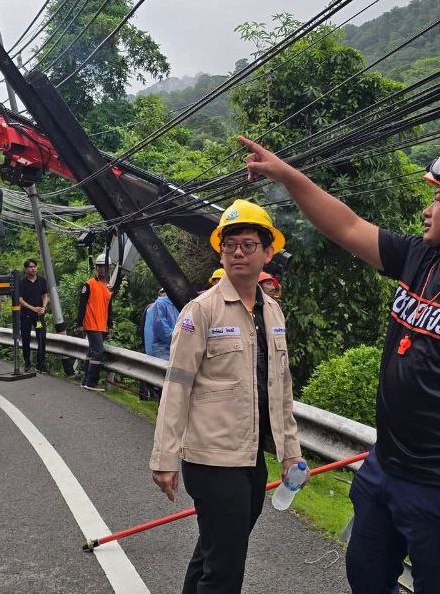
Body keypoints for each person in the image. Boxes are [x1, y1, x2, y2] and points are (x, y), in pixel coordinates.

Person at [240, 137, 440, 594]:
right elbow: (345, 226)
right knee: (364, 575)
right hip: (386, 469)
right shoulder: (419, 259)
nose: (428, 208)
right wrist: (286, 175)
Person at [150, 199, 303, 594]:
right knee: (226, 567)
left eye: (248, 244)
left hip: (251, 459)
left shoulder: (273, 313)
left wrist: (291, 451)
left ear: (268, 253)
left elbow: (280, 388)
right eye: (230, 245)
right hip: (211, 459)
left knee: (214, 551)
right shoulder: (200, 311)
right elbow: (177, 385)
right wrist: (165, 457)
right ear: (220, 250)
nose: (238, 252)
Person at [78, 254, 113, 391]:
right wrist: (79, 323)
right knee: (98, 352)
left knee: (92, 352)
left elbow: (109, 308)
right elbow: (82, 305)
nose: (102, 269)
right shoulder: (89, 284)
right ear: (96, 268)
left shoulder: (108, 287)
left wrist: (110, 326)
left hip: (102, 325)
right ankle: (91, 382)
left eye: (104, 267)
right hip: (91, 324)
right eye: (99, 267)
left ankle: (85, 380)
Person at [140, 288, 178, 401]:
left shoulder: (174, 305)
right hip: (161, 348)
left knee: (164, 380)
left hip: (167, 348)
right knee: (163, 381)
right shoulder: (160, 304)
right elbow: (161, 327)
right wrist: (176, 338)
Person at [18, 258, 49, 373]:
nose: (33, 268)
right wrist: (32, 308)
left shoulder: (42, 280)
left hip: (38, 317)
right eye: (31, 267)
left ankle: (41, 364)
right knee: (26, 339)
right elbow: (19, 299)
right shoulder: (22, 282)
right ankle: (27, 363)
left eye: (35, 266)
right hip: (26, 316)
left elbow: (45, 295)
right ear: (26, 269)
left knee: (41, 337)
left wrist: (44, 307)